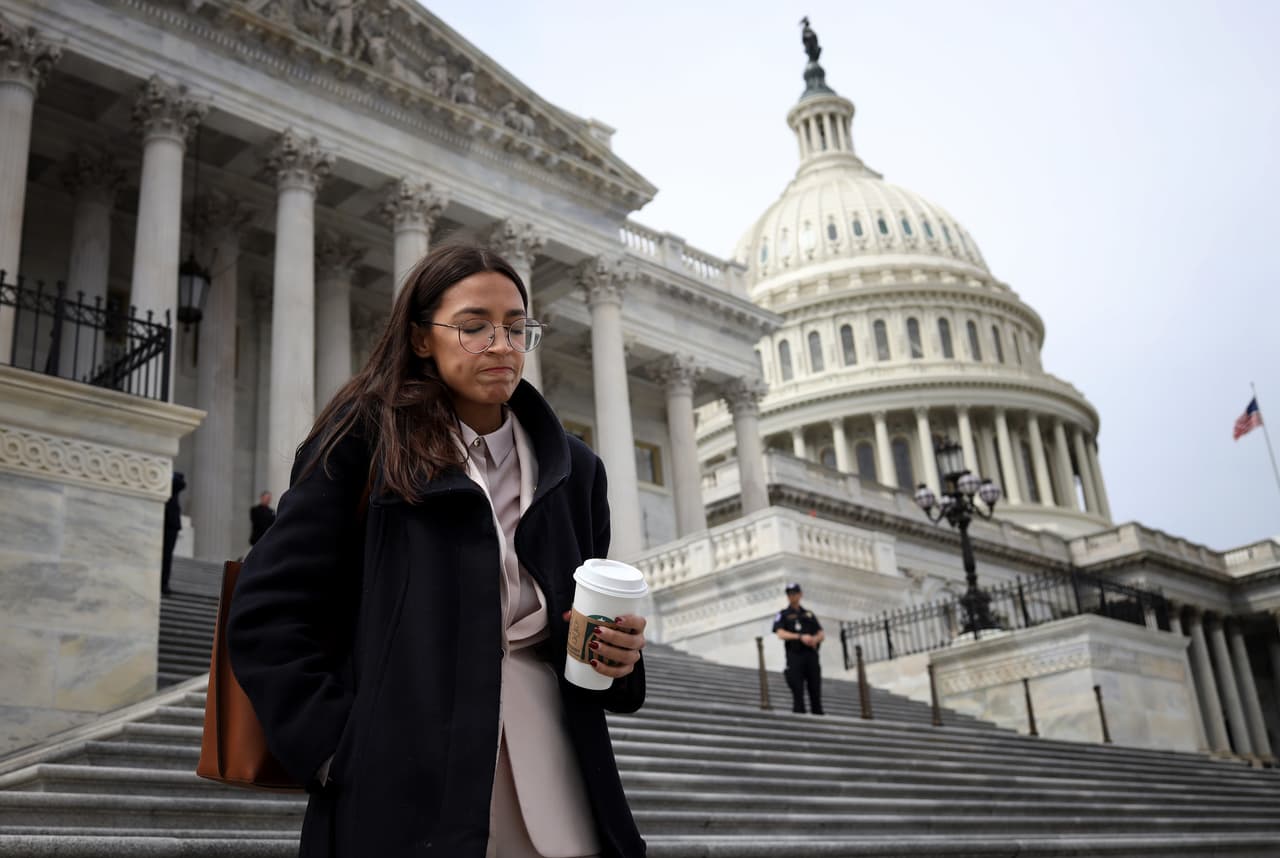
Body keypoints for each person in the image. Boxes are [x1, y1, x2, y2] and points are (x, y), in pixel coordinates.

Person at [226, 243, 648, 858]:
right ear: (423, 338)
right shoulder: (364, 437)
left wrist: (618, 656)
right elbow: (268, 610)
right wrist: (336, 749)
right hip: (405, 779)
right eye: (474, 326)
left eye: (515, 327)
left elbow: (577, 623)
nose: (501, 345)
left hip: (561, 776)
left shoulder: (575, 468)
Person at [772, 582, 824, 714]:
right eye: (789, 594)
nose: (792, 596)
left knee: (815, 689)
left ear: (800, 595)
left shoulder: (809, 614)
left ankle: (818, 717)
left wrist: (814, 639)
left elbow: (821, 633)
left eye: (794, 593)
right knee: (797, 690)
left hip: (811, 655)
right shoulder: (783, 614)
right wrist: (800, 637)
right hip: (795, 655)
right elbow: (780, 633)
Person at [161, 471, 185, 596]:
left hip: (171, 523)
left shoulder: (175, 478)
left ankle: (164, 583)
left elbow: (181, 484)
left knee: (167, 555)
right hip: (159, 521)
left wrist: (168, 475)